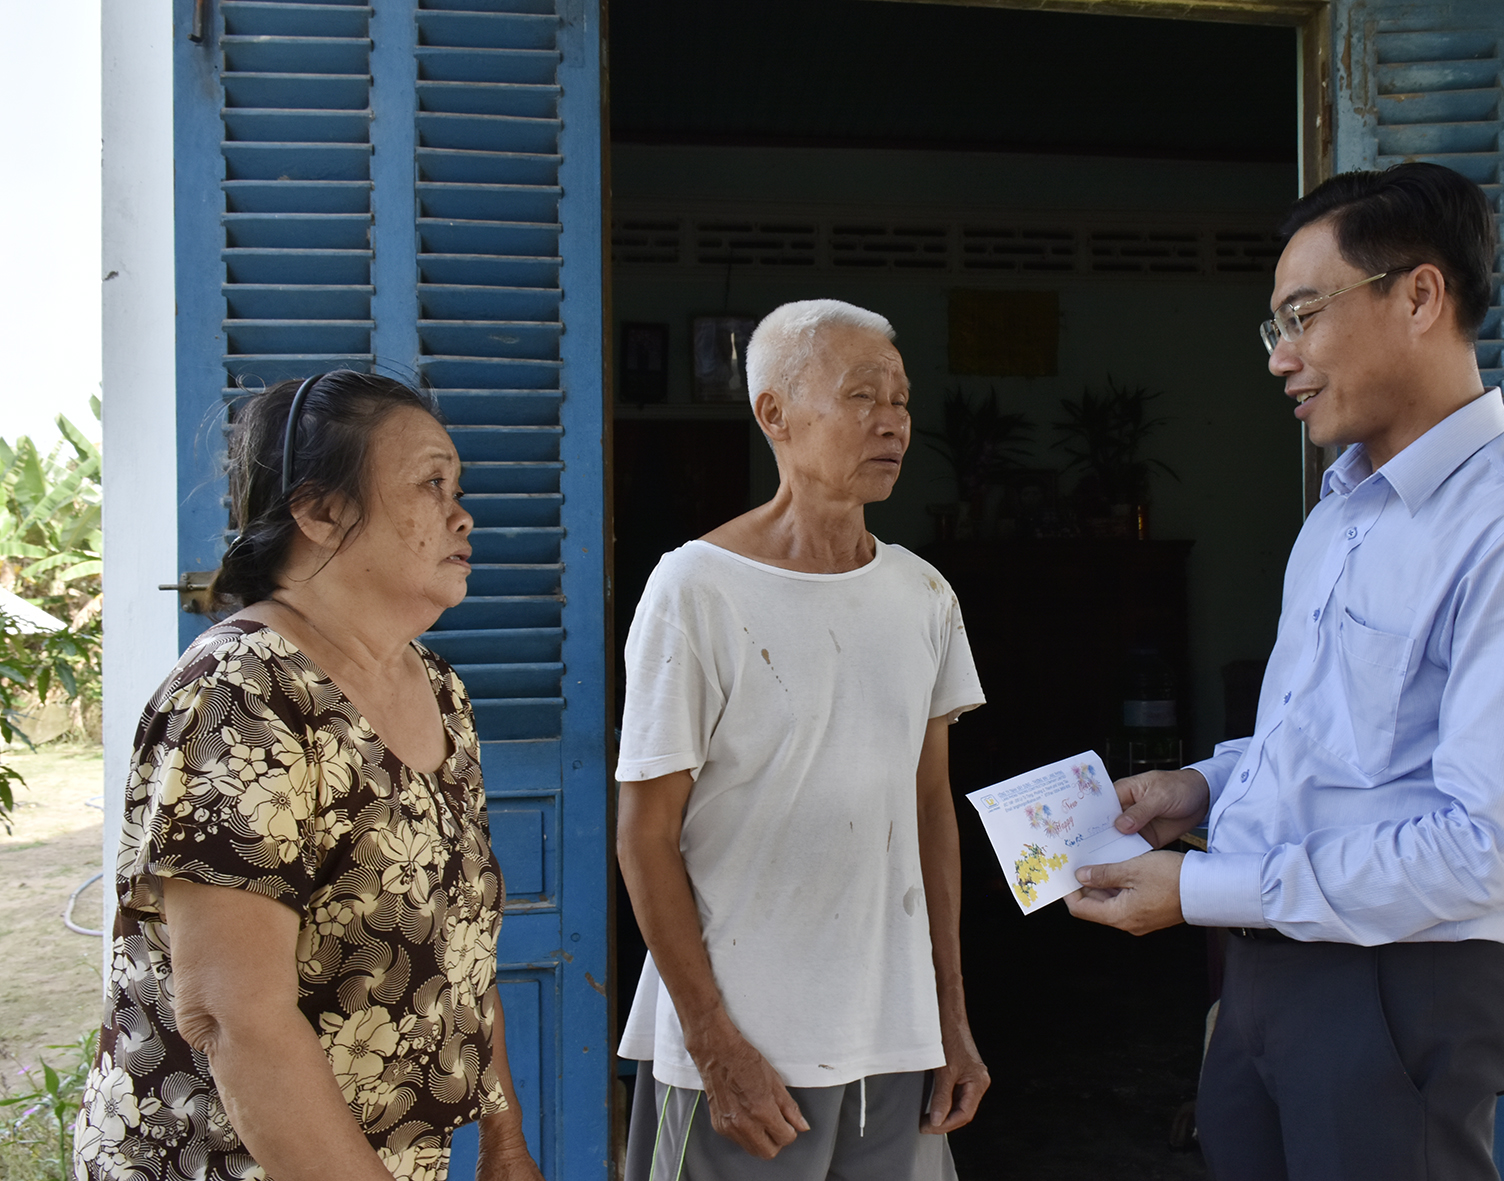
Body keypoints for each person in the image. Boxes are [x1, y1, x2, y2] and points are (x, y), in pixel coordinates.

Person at [1065, 163, 1504, 1181]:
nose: (1280, 357)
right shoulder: (1338, 515)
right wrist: (1199, 787)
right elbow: (1318, 743)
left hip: (1392, 989)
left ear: (1418, 295)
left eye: (1301, 315)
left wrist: (1197, 886)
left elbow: (1484, 851)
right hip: (1264, 978)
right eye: (1272, 328)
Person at [73, 372, 543, 1181]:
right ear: (320, 510)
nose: (462, 514)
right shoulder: (241, 692)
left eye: (457, 487)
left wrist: (504, 1141)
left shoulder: (437, 689)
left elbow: (464, 950)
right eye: (431, 483)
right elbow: (232, 1015)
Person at [616, 299, 990, 1180]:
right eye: (863, 395)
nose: (893, 419)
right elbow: (644, 833)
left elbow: (929, 810)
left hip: (893, 1042)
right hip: (743, 1051)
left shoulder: (924, 595)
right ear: (773, 414)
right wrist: (712, 1042)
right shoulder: (694, 589)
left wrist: (950, 1016)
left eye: (900, 397)